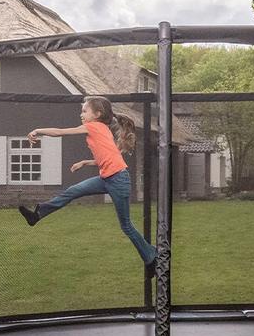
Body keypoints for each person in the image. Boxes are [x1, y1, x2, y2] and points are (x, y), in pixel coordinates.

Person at [17, 96, 157, 275]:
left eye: (84, 111)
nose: (81, 114)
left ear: (97, 114)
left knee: (126, 226)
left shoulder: (94, 126)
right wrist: (85, 162)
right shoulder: (102, 129)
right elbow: (107, 157)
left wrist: (37, 130)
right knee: (73, 191)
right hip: (107, 179)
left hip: (118, 181)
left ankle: (151, 257)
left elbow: (60, 132)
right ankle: (37, 214)